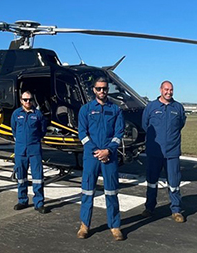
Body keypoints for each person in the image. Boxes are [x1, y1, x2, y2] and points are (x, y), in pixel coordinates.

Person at [77, 77, 125, 241]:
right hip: (91, 157)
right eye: (99, 89)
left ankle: (115, 226)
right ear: (93, 90)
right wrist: (97, 151)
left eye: (105, 89)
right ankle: (84, 225)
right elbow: (82, 134)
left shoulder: (116, 110)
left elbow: (119, 134)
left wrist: (108, 151)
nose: (102, 91)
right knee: (87, 191)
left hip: (109, 156)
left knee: (111, 191)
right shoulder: (85, 109)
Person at [141, 80, 186, 223]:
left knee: (174, 182)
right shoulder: (151, 107)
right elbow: (145, 125)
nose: (169, 92)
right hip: (155, 152)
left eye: (171, 89)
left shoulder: (178, 107)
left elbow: (181, 124)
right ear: (160, 90)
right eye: (166, 89)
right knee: (152, 181)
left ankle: (176, 210)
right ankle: (149, 208)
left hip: (172, 152)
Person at [11, 91, 48, 214]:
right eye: (25, 99)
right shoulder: (16, 114)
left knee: (38, 177)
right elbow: (14, 130)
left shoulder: (38, 114)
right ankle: (22, 200)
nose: (28, 102)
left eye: (30, 99)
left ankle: (39, 202)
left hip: (34, 149)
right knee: (21, 177)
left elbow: (42, 130)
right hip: (20, 150)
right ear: (21, 100)